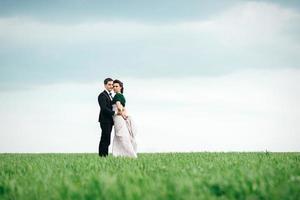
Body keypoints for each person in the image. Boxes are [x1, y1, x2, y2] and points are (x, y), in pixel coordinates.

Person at [111, 79, 137, 158]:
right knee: (123, 135)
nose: (114, 88)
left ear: (120, 87)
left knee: (120, 135)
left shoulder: (117, 96)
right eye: (113, 86)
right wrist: (124, 115)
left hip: (118, 117)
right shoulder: (122, 96)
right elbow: (124, 107)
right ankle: (124, 154)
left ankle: (123, 154)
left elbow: (119, 107)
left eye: (116, 86)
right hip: (120, 117)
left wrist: (122, 114)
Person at [98, 78, 117, 157]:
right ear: (105, 85)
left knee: (107, 139)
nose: (111, 86)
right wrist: (114, 113)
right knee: (105, 138)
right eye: (109, 84)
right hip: (105, 120)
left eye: (112, 85)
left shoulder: (110, 95)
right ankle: (102, 156)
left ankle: (104, 156)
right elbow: (104, 108)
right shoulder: (102, 95)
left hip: (109, 121)